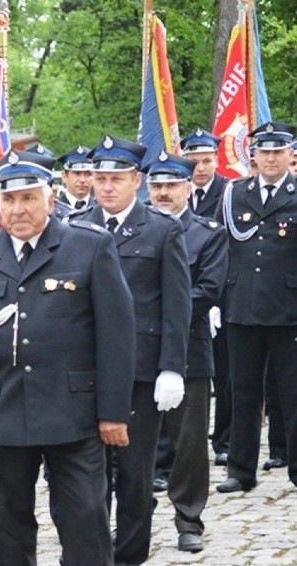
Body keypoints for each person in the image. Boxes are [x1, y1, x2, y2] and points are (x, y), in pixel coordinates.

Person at [0, 148, 136, 566]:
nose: (18, 209)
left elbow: (116, 337)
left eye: (29, 197)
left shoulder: (89, 247)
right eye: (9, 199)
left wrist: (113, 412)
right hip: (3, 415)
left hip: (74, 413)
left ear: (51, 198)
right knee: (8, 526)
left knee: (86, 521)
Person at [70, 135, 191, 566]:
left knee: (136, 474)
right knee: (86, 473)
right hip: (85, 369)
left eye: (116, 179)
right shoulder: (75, 227)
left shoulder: (161, 229)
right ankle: (93, 551)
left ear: (135, 180)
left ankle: (131, 554)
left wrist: (172, 367)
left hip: (140, 371)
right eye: (99, 178)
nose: (105, 187)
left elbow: (177, 302)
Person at [145, 152, 228, 553]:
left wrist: (153, 316)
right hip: (136, 352)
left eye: (171, 186)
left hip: (189, 351)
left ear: (188, 187)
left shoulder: (208, 234)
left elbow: (208, 289)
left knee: (190, 443)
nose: (163, 193)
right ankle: (133, 516)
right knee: (132, 441)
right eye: (156, 186)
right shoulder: (132, 232)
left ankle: (188, 519)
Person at [216, 121, 297, 493]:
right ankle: (241, 470)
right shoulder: (235, 193)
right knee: (243, 393)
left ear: (289, 155)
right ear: (254, 155)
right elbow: (220, 250)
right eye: (263, 151)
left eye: (277, 151)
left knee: (292, 392)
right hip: (242, 306)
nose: (270, 158)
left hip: (289, 310)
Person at [177, 128, 232, 467]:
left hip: (220, 294)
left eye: (206, 160)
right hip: (186, 297)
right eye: (194, 161)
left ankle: (224, 440)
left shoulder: (230, 193)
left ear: (216, 160)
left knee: (224, 374)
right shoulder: (169, 195)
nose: (200, 167)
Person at [57, 145, 94, 210]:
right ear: (64, 176)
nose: (82, 180)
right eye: (77, 173)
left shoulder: (102, 210)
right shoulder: (53, 210)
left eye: (88, 174)